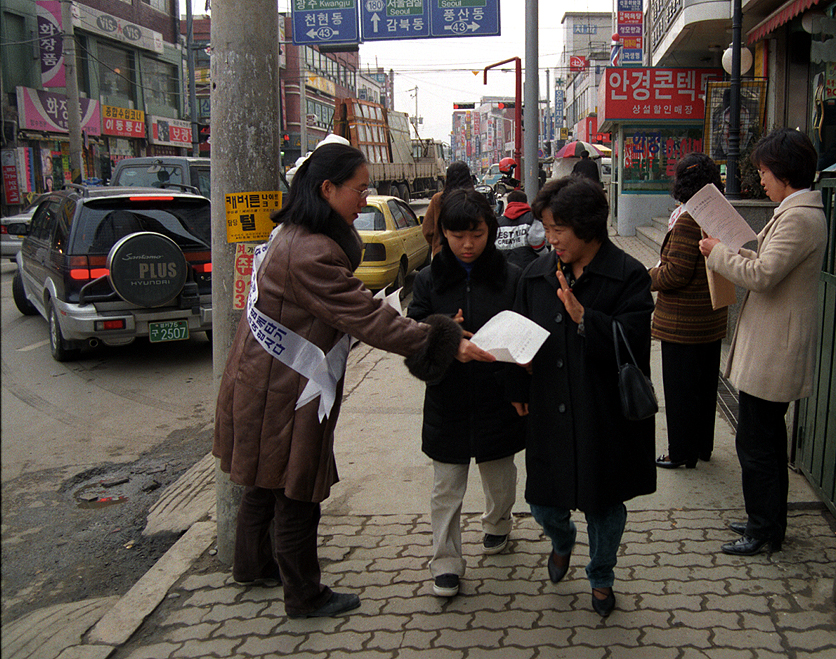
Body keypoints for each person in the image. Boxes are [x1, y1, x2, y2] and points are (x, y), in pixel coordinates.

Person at [214, 143, 494, 619]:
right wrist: (443, 341)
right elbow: (368, 318)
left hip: (264, 381)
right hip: (285, 391)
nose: (365, 201)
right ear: (327, 189)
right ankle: (304, 595)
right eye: (359, 190)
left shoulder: (293, 233)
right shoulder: (312, 253)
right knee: (296, 487)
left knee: (264, 479)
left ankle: (253, 566)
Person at [509, 176, 656, 617]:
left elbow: (634, 342)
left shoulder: (628, 275)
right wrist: (517, 383)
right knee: (542, 503)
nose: (550, 239)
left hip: (602, 413)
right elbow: (517, 335)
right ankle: (561, 539)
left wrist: (584, 318)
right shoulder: (535, 276)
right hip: (549, 409)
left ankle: (601, 574)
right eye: (547, 230)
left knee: (605, 506)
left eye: (559, 230)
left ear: (588, 226)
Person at [698, 128, 827, 556]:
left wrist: (719, 253)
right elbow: (768, 265)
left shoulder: (801, 217)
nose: (763, 181)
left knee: (758, 445)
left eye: (765, 172)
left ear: (784, 172)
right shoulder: (795, 211)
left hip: (776, 351)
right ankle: (765, 520)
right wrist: (730, 251)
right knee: (764, 442)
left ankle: (764, 530)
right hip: (770, 346)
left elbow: (763, 276)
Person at [408, 188, 526, 599]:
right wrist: (444, 330)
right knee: (446, 487)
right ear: (443, 233)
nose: (468, 244)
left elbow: (525, 339)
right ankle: (445, 562)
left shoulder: (511, 276)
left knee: (501, 477)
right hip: (448, 400)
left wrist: (519, 388)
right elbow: (412, 338)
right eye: (458, 236)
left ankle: (497, 523)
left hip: (498, 397)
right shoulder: (427, 280)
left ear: (490, 230)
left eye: (476, 234)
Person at [651, 153, 729, 470]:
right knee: (704, 389)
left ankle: (681, 453)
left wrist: (647, 277)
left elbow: (675, 274)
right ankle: (702, 446)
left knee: (681, 392)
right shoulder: (717, 214)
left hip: (683, 325)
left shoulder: (688, 219)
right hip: (710, 319)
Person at [422, 161, 475, 254]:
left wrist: (437, 242)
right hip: (470, 254)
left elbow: (427, 231)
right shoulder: (475, 198)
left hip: (442, 255)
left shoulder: (437, 199)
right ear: (468, 178)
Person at [497, 189, 546, 269]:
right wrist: (546, 255)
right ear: (526, 202)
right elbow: (536, 241)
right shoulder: (532, 218)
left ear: (508, 203)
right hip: (527, 268)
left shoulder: (499, 222)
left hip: (504, 269)